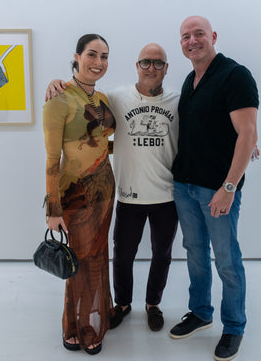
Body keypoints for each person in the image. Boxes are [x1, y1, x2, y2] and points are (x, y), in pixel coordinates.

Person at [46, 43, 180, 332]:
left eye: (158, 63)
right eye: (146, 62)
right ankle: (122, 304)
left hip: (167, 195)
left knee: (162, 254)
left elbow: (203, 127)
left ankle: (153, 304)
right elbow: (83, 103)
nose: (151, 68)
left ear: (166, 68)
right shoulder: (115, 97)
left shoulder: (178, 101)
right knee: (122, 255)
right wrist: (57, 83)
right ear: (137, 66)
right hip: (128, 194)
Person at [168, 16, 259, 361]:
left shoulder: (235, 75)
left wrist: (229, 187)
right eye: (185, 37)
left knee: (226, 259)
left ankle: (234, 326)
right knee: (194, 252)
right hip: (185, 185)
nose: (192, 41)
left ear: (213, 36)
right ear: (181, 44)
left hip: (217, 189)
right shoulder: (191, 79)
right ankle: (201, 312)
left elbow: (248, 132)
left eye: (199, 34)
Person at [42, 33, 116, 355]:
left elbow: (102, 143)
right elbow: (52, 160)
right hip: (76, 193)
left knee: (98, 256)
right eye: (91, 54)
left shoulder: (103, 99)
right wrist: (53, 209)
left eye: (104, 56)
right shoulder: (58, 99)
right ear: (77, 56)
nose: (98, 62)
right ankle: (76, 326)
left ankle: (98, 316)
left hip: (105, 189)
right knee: (80, 261)